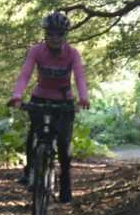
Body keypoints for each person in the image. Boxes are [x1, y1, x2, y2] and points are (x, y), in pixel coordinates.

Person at [7, 11, 90, 203]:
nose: (55, 38)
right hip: (40, 98)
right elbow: (25, 74)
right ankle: (29, 171)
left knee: (63, 145)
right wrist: (17, 95)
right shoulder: (36, 51)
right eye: (51, 33)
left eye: (59, 34)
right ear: (45, 34)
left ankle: (66, 185)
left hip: (64, 102)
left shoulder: (72, 54)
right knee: (34, 135)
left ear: (65, 35)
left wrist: (83, 97)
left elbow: (79, 77)